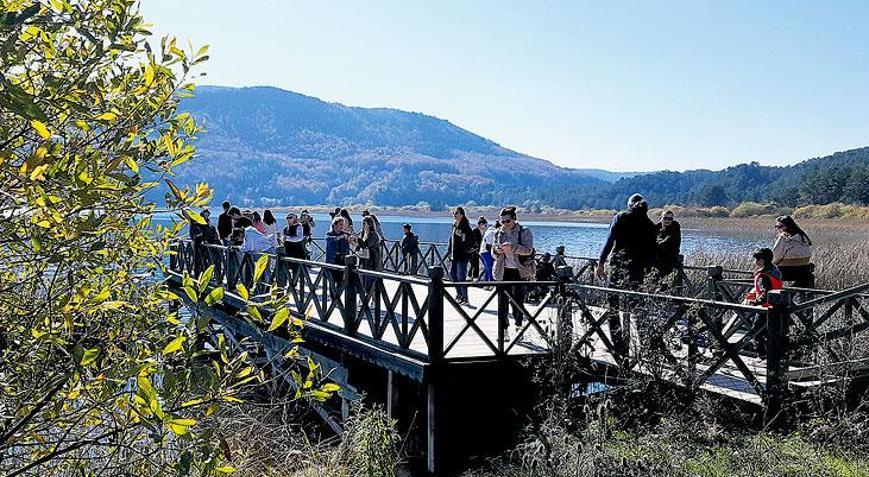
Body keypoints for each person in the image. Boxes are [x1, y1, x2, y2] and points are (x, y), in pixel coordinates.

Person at [596, 193, 657, 289]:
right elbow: (653, 246)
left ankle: (612, 304)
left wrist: (601, 262)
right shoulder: (649, 223)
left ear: (629, 205)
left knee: (614, 292)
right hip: (638, 264)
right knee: (635, 294)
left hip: (619, 260)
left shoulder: (620, 217)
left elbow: (609, 241)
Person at [492, 206, 535, 336]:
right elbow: (493, 253)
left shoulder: (524, 231)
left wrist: (513, 248)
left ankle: (519, 326)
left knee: (518, 302)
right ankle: (503, 330)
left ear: (514, 219)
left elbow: (529, 250)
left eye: (507, 221)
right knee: (502, 302)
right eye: (502, 221)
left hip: (520, 271)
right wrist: (497, 250)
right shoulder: (498, 233)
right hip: (503, 271)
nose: (504, 224)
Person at [743, 248, 784, 357]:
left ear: (761, 261)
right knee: (771, 333)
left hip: (764, 309)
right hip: (777, 307)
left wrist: (754, 302)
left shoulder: (762, 276)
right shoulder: (775, 271)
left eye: (756, 260)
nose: (754, 262)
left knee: (756, 333)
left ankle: (761, 355)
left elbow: (764, 293)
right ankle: (772, 355)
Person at [771, 215, 814, 288]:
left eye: (780, 226)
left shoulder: (783, 238)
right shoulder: (803, 237)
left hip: (787, 271)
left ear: (787, 226)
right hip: (804, 270)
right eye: (776, 226)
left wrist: (770, 265)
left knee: (766, 273)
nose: (777, 229)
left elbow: (776, 255)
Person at [448, 206, 474, 305]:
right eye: (454, 213)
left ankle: (465, 298)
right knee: (453, 274)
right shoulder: (454, 226)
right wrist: (449, 252)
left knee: (461, 276)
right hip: (454, 255)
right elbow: (452, 241)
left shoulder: (465, 227)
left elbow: (468, 241)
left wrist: (461, 237)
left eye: (457, 213)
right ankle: (459, 295)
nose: (455, 215)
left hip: (463, 255)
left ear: (462, 214)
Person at [654, 209, 682, 277]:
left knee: (657, 276)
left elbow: (668, 240)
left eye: (670, 218)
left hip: (669, 257)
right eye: (665, 218)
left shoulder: (675, 228)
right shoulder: (657, 228)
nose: (667, 220)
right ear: (661, 218)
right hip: (657, 256)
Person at [325, 216, 352, 286]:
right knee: (332, 280)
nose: (342, 226)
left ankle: (337, 296)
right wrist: (340, 237)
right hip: (332, 259)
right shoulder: (329, 233)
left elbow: (351, 243)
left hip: (342, 259)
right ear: (335, 225)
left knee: (340, 280)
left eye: (343, 224)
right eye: (340, 224)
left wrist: (350, 239)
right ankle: (332, 296)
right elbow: (330, 239)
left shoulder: (345, 234)